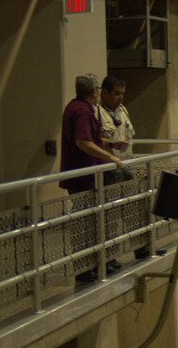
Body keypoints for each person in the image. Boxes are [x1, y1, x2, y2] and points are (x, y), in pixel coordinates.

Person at [60, 72, 124, 282]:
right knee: (84, 223)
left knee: (92, 220)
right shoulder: (82, 111)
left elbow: (92, 139)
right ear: (94, 91)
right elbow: (82, 142)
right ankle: (84, 268)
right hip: (83, 175)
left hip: (88, 175)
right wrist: (111, 158)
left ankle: (95, 263)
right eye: (97, 90)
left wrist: (111, 144)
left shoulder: (78, 107)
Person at [97, 75, 158, 260]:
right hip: (109, 169)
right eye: (116, 94)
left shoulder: (123, 110)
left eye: (122, 94)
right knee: (111, 217)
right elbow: (91, 140)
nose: (120, 97)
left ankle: (141, 248)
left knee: (135, 210)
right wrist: (112, 143)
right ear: (104, 92)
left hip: (126, 166)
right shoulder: (96, 112)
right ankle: (110, 257)